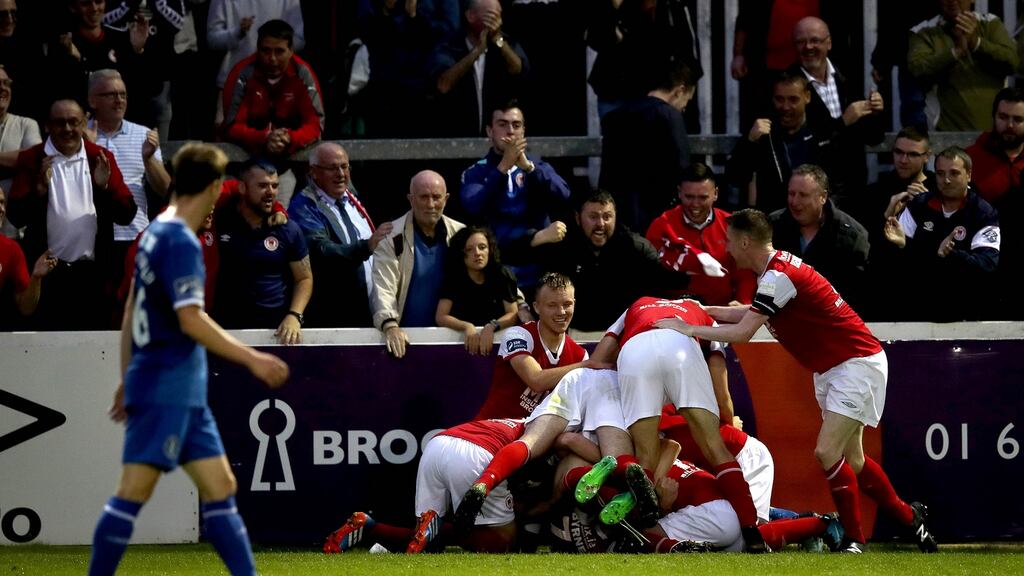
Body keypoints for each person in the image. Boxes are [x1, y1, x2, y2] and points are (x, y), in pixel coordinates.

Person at [655, 208, 938, 554]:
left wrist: (689, 328)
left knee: (826, 451)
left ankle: (853, 539)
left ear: (745, 241)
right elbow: (749, 313)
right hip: (834, 367)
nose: (726, 248)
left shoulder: (778, 277)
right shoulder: (774, 274)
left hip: (856, 364)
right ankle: (911, 519)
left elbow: (744, 332)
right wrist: (704, 310)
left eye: (729, 240)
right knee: (855, 459)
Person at [87, 142, 289, 576]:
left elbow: (130, 313)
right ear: (216, 186)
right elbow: (191, 319)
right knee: (134, 490)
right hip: (168, 383)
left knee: (221, 486)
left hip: (175, 384)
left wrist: (127, 377)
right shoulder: (180, 242)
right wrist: (253, 359)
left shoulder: (155, 232)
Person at [588, 296, 765, 551]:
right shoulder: (701, 313)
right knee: (716, 449)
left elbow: (598, 360)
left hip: (635, 350)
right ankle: (752, 531)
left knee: (646, 458)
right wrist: (728, 417)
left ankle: (637, 534)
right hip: (681, 346)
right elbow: (721, 387)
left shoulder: (635, 305)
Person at [7, 99, 137, 330]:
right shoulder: (32, 159)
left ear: (84, 123)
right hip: (47, 277)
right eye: (59, 123)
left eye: (73, 122)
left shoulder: (100, 156)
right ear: (47, 126)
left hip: (93, 276)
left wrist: (105, 188)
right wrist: (38, 190)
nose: (67, 129)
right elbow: (16, 216)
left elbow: (126, 214)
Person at [454, 367, 633, 533]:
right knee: (620, 463)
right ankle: (621, 483)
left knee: (531, 443)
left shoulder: (523, 486)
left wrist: (522, 517)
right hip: (607, 384)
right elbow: (566, 439)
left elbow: (567, 440)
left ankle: (484, 482)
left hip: (578, 382)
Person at [459, 101, 570, 293]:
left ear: (523, 131)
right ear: (489, 131)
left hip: (540, 274)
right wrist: (502, 168)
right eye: (502, 125)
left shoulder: (538, 166)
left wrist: (528, 168)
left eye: (516, 125)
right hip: (497, 274)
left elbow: (563, 196)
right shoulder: (476, 172)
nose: (510, 131)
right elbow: (473, 206)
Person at [538, 189, 687, 332]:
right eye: (593, 217)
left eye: (607, 216)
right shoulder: (563, 248)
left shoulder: (636, 248)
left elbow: (664, 283)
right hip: (574, 330)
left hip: (625, 331)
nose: (601, 224)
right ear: (578, 218)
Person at [881, 147, 999, 322]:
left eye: (954, 173)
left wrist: (952, 255)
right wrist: (902, 245)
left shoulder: (983, 213)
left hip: (967, 311)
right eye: (940, 173)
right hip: (919, 308)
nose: (947, 180)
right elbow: (898, 264)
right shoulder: (919, 205)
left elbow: (987, 264)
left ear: (969, 175)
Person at [86, 69, 171, 301]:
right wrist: (87, 147)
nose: (119, 100)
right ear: (92, 100)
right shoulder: (79, 134)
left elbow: (165, 189)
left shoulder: (143, 134)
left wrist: (147, 159)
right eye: (111, 94)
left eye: (123, 94)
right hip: (90, 239)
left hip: (134, 235)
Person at [221, 19, 323, 207]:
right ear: (257, 49)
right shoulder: (243, 73)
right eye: (266, 50)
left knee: (280, 218)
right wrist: (265, 138)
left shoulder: (302, 73)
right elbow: (231, 126)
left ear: (291, 51)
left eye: (279, 51)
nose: (272, 58)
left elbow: (315, 124)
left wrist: (289, 138)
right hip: (241, 166)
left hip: (285, 167)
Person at [289, 142, 391, 328]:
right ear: (313, 172)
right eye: (332, 168)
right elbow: (321, 251)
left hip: (369, 311)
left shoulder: (352, 197)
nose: (341, 174)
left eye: (344, 166)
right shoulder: (304, 206)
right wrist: (366, 246)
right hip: (335, 316)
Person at [213, 158, 312, 344]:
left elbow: (304, 278)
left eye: (275, 186)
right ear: (242, 188)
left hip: (276, 334)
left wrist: (294, 315)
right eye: (262, 186)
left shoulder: (287, 229)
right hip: (227, 333)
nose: (271, 192)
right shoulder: (219, 221)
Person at [790, 16, 885, 206]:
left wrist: (876, 113)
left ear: (829, 43)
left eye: (815, 40)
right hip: (812, 193)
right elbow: (800, 140)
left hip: (853, 187)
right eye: (801, 42)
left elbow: (874, 137)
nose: (808, 47)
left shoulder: (847, 78)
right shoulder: (789, 86)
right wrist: (844, 121)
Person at [372, 170, 465, 358]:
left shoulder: (462, 235)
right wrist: (390, 325)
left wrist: (519, 305)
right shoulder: (391, 237)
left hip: (454, 340)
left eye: (436, 197)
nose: (430, 204)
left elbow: (494, 274)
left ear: (446, 199)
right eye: (423, 197)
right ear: (411, 199)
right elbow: (383, 288)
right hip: (405, 342)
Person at [474, 272, 591, 420]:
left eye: (567, 304)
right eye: (552, 305)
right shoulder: (518, 335)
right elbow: (536, 380)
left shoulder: (580, 355)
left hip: (536, 439)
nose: (561, 312)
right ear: (536, 307)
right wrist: (587, 365)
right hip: (491, 429)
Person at [599, 60, 697, 233]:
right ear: (679, 90)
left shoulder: (616, 116)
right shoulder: (670, 116)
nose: (683, 108)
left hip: (618, 213)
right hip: (656, 214)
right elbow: (682, 168)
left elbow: (607, 171)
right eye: (686, 101)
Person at [727, 71, 842, 214]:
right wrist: (749, 142)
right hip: (774, 221)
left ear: (807, 97)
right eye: (779, 99)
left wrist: (826, 213)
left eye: (793, 99)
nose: (785, 107)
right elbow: (735, 178)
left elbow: (839, 182)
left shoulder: (823, 133)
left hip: (816, 220)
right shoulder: (762, 134)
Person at [645, 162, 756, 307]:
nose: (695, 204)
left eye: (703, 197)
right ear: (679, 193)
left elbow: (746, 274)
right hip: (674, 315)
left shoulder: (733, 226)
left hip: (723, 314)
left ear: (715, 194)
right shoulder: (661, 227)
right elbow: (649, 276)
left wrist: (743, 302)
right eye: (689, 197)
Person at [907, 0, 1018, 131]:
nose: (952, 1)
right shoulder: (924, 31)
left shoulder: (990, 23)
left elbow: (1012, 63)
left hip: (992, 135)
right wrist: (955, 53)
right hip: (947, 137)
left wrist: (976, 43)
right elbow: (917, 69)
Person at [769, 165, 870, 310]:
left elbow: (856, 292)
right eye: (791, 194)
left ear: (823, 197)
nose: (795, 202)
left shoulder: (851, 236)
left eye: (803, 195)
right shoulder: (773, 226)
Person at [430, 0, 529, 136]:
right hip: (456, 135)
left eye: (498, 16)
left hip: (497, 139)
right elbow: (443, 85)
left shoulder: (505, 43)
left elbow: (518, 69)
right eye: (491, 16)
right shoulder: (450, 46)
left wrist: (498, 41)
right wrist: (476, 52)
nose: (496, 22)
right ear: (470, 16)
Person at [435, 226, 519, 356]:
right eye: (469, 249)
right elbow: (441, 317)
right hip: (462, 349)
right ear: (461, 252)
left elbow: (513, 313)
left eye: (482, 247)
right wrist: (466, 326)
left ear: (490, 249)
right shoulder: (454, 278)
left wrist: (492, 326)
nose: (477, 253)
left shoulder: (502, 274)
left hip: (499, 347)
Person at [0, 185, 53, 328]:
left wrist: (36, 278)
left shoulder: (11, 249)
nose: (2, 209)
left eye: (2, 203)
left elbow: (26, 308)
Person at [0, 65, 41, 239]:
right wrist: (13, 161)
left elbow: (35, 157)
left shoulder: (26, 124)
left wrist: (23, 159)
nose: (3, 88)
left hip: (13, 223)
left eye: (6, 83)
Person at [966, 87, 1024, 207]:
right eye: (1003, 117)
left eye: (1018, 119)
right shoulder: (969, 159)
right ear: (994, 116)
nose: (1010, 125)